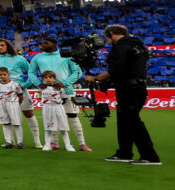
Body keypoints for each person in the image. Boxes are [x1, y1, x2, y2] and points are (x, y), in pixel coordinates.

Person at [88, 24, 162, 165]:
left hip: (129, 89)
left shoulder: (122, 47)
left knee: (133, 122)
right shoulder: (137, 45)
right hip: (136, 87)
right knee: (124, 121)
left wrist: (95, 78)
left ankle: (150, 156)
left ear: (112, 32)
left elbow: (114, 70)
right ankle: (124, 153)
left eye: (107, 36)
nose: (107, 40)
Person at [30, 36, 91, 152]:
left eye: (46, 43)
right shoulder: (37, 57)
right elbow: (31, 72)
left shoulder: (66, 55)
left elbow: (78, 72)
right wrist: (38, 83)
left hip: (67, 91)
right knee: (51, 118)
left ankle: (82, 143)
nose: (43, 45)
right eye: (42, 43)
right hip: (48, 92)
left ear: (54, 44)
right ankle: (54, 143)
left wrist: (65, 83)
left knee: (73, 116)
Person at [0, 38, 43, 149]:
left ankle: (37, 141)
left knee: (29, 114)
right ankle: (11, 142)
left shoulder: (19, 59)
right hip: (4, 94)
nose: (0, 47)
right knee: (7, 118)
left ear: (8, 46)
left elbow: (31, 73)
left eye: (2, 45)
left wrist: (24, 85)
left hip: (20, 92)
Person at [39, 71, 74, 152]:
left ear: (54, 79)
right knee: (48, 128)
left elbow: (64, 98)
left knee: (63, 128)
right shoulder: (41, 88)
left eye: (50, 77)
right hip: (47, 108)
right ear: (43, 79)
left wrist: (57, 104)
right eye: (46, 77)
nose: (48, 79)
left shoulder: (59, 88)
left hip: (58, 107)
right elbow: (40, 97)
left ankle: (68, 145)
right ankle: (47, 145)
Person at [0, 68, 25, 149]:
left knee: (16, 123)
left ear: (8, 75)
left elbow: (20, 95)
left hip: (13, 104)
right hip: (1, 104)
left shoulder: (15, 84)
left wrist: (17, 104)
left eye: (4, 74)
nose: (2, 76)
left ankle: (20, 142)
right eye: (0, 75)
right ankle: (8, 142)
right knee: (5, 123)